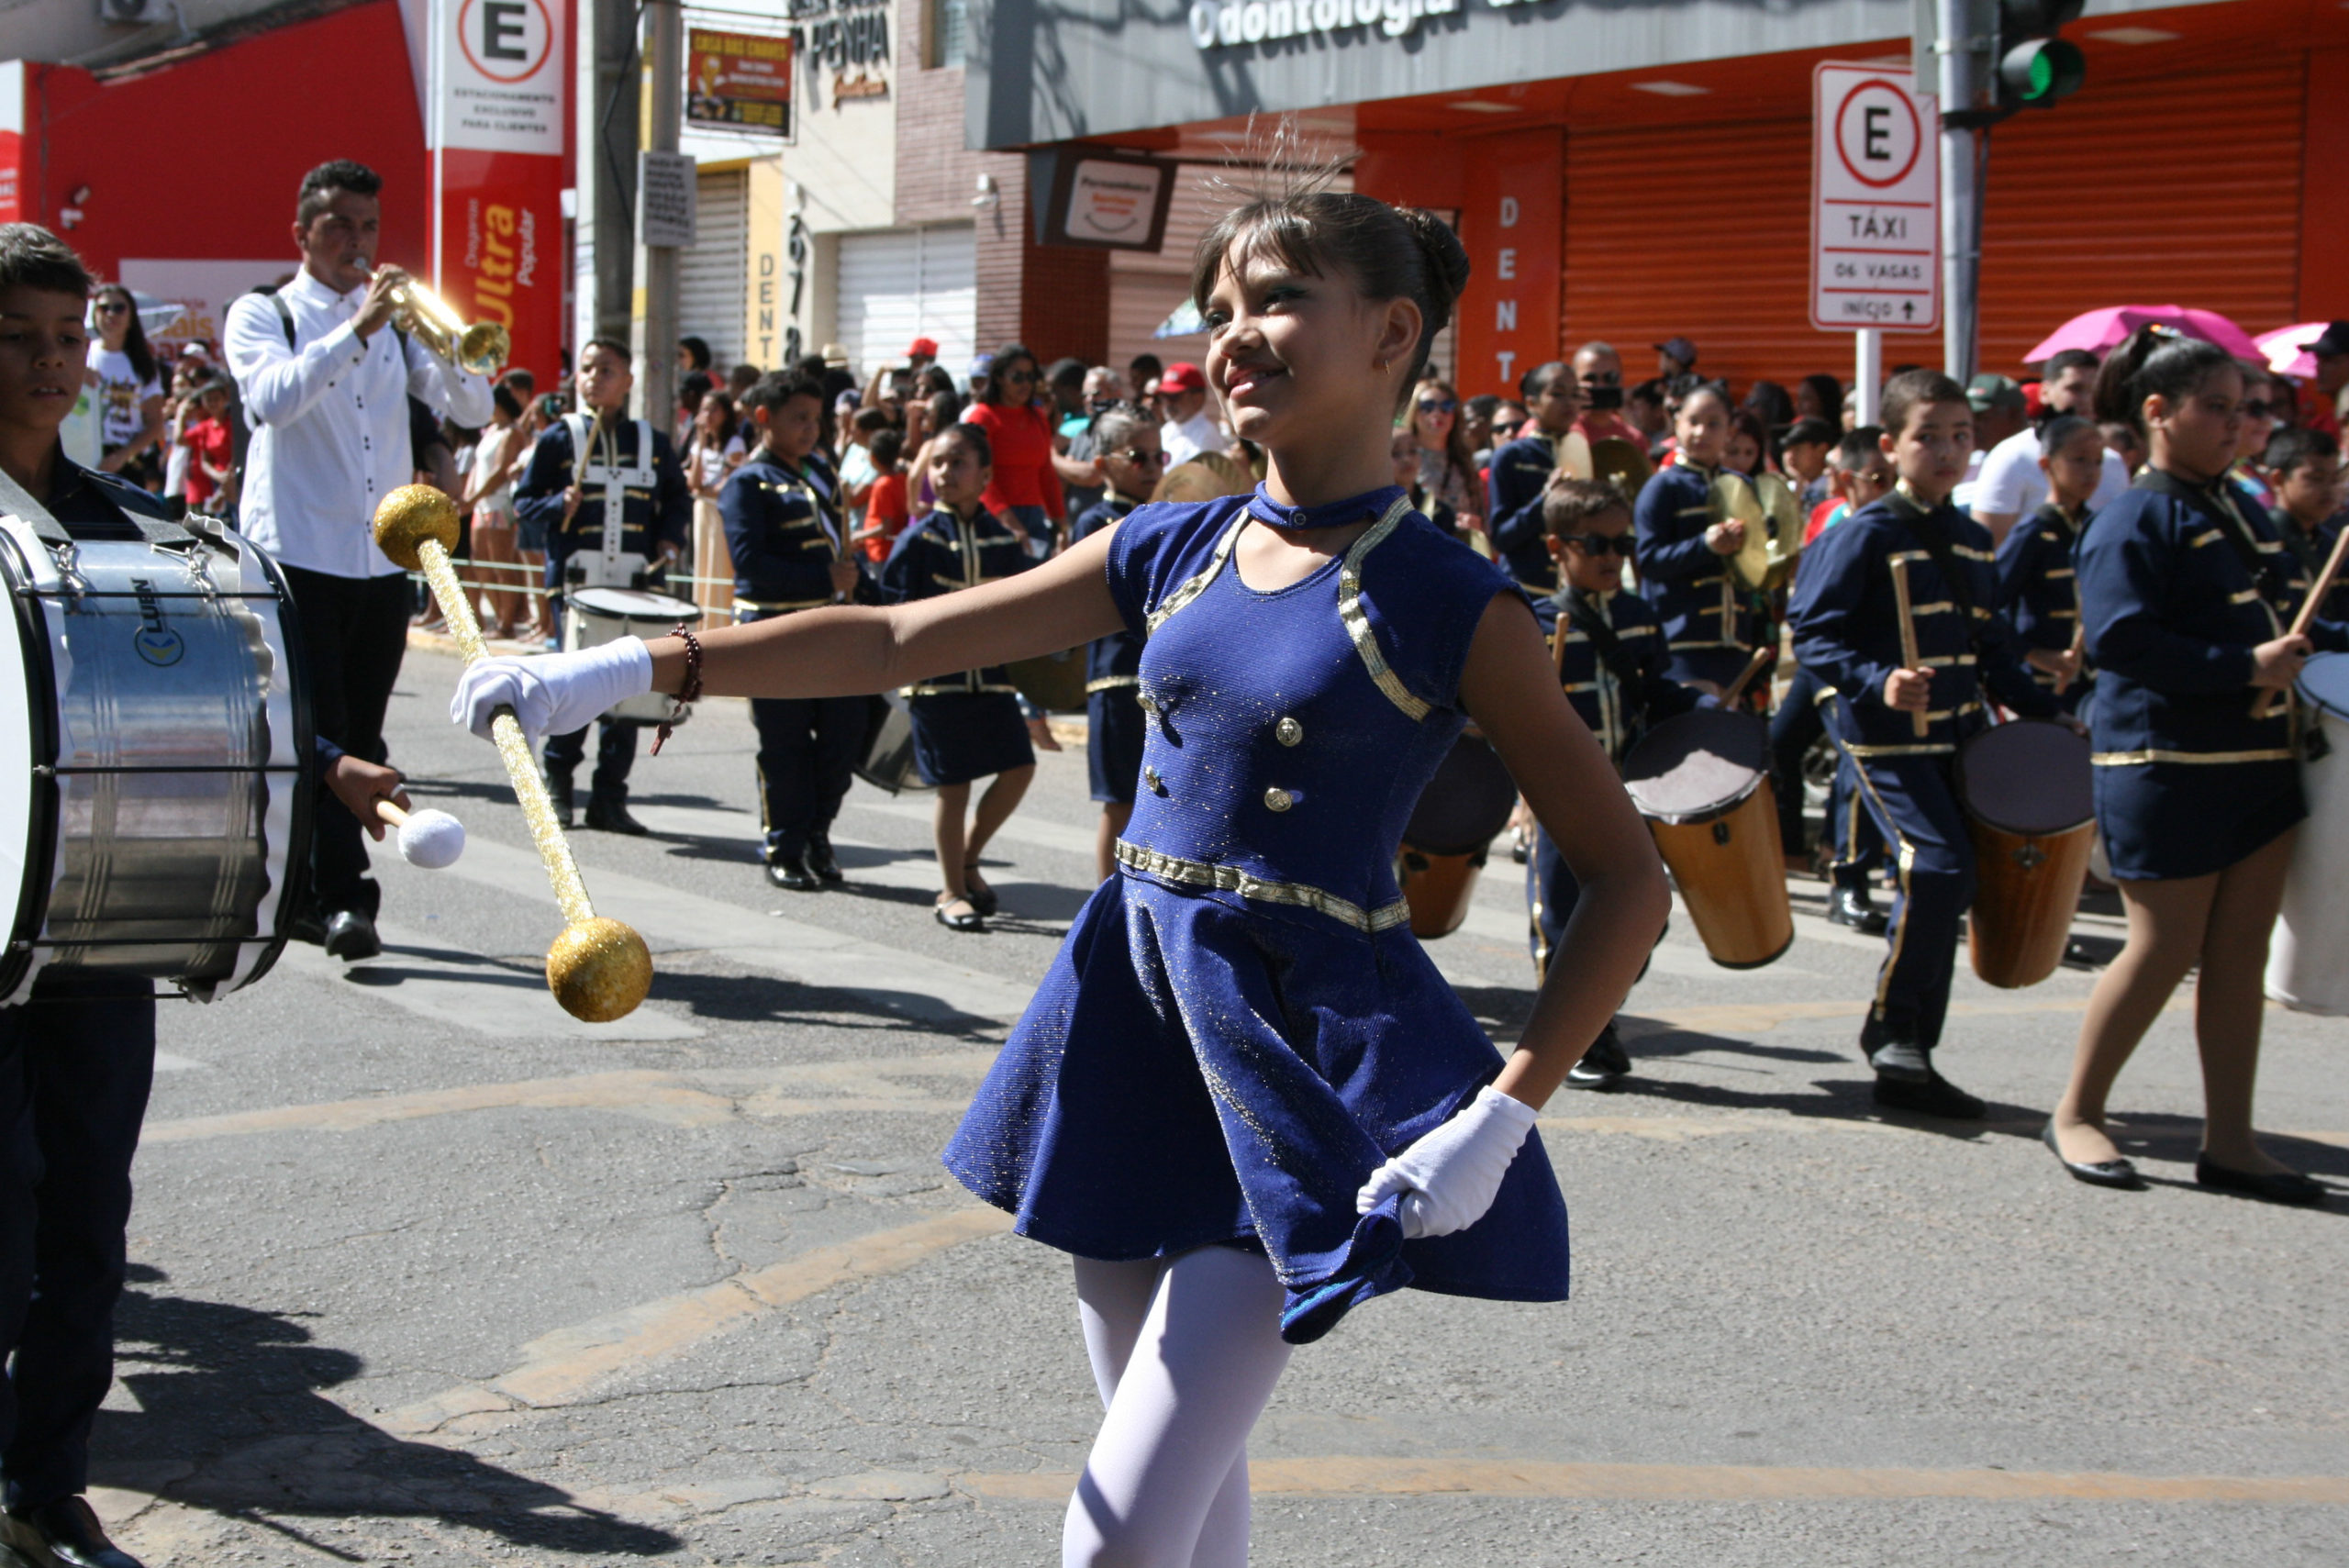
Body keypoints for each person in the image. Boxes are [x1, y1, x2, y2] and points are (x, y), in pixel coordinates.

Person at [449, 181, 1666, 1567]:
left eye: (1277, 301)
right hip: (1133, 1029)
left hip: (1297, 1065)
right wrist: (624, 667)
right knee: (1189, 1509)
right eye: (1221, 311)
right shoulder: (1171, 543)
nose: (1238, 336)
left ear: (1393, 333)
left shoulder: (1454, 597)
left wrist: (1502, 1116)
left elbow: (1627, 880)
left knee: (1116, 1539)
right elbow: (894, 639)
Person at [0, 220, 413, 1568]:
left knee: (86, 1220)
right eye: (20, 339)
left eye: (67, 340)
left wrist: (336, 765)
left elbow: (212, 701)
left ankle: (46, 1482)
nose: (52, 365)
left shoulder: (128, 527)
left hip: (88, 919)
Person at [2043, 327, 2349, 1202]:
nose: (2234, 423)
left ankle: (2232, 1140)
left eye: (2243, 408)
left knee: (2238, 955)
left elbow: (2290, 618)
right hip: (2165, 761)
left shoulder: (2242, 506)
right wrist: (2240, 668)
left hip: (2258, 762)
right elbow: (2122, 641)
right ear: (2157, 412)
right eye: (2213, 407)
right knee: (2161, 944)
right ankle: (2076, 1110)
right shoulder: (2133, 515)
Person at [225, 158, 493, 960]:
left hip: (379, 559)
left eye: (369, 226)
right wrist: (359, 329)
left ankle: (313, 892)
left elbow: (475, 407)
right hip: (295, 553)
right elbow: (272, 400)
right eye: (340, 224)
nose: (357, 241)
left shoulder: (394, 324)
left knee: (362, 736)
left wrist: (444, 347)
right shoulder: (264, 312)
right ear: (302, 233)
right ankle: (344, 899)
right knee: (321, 732)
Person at [1789, 370, 2064, 1118]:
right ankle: (1894, 1034)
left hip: (1959, 738)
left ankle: (1914, 1053)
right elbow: (1812, 632)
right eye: (1928, 436)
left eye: (1960, 436)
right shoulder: (1865, 533)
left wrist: (2054, 712)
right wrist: (1877, 680)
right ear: (1891, 445)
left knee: (1961, 875)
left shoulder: (1974, 539)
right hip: (1886, 741)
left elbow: (1993, 650)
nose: (1946, 450)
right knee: (1939, 868)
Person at [1528, 478, 1703, 1088]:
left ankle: (1597, 1011)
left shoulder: (1636, 617)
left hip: (1630, 790)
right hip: (1564, 794)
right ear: (1557, 546)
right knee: (1564, 918)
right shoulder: (1536, 623)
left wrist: (1698, 709)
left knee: (1645, 919)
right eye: (1595, 542)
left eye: (1622, 543)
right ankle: (1582, 1037)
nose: (1611, 556)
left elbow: (1656, 693)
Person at [512, 337, 691, 833]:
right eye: (587, 368)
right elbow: (524, 502)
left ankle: (610, 796)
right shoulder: (560, 437)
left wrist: (670, 541)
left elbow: (678, 498)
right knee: (574, 687)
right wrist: (555, 507)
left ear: (628, 381)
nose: (594, 377)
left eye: (606, 369)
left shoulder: (653, 443)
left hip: (634, 583)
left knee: (630, 689)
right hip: (575, 583)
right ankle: (558, 788)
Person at [876, 421, 1037, 930]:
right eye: (938, 463)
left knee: (1019, 768)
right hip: (937, 683)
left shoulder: (1001, 538)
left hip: (992, 682)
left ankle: (968, 860)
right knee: (954, 785)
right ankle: (950, 891)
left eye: (957, 463)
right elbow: (894, 610)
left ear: (984, 474)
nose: (944, 473)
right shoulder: (919, 537)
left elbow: (1025, 606)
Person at [724, 371, 872, 891]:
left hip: (833, 631)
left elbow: (842, 556)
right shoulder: (747, 482)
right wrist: (822, 577)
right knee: (785, 748)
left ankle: (818, 836)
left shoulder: (821, 474)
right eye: (799, 419)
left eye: (818, 419)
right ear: (764, 418)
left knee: (841, 743)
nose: (812, 429)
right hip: (775, 634)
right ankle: (783, 845)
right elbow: (750, 566)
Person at [1779, 427, 1891, 924]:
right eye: (1877, 478)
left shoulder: (1899, 526)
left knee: (1853, 766)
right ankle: (1796, 847)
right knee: (1782, 742)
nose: (1885, 487)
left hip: (1868, 663)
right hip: (1826, 658)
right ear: (1849, 479)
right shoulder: (1830, 517)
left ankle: (1849, 875)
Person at [1068, 403, 1163, 882]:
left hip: (1163, 680)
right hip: (1116, 677)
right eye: (1138, 457)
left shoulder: (1172, 517)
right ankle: (1109, 902)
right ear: (1104, 463)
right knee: (1120, 802)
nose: (1152, 467)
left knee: (1161, 796)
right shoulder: (1095, 523)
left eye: (1159, 457)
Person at [1633, 384, 1757, 691]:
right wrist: (1705, 545)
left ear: (1729, 431)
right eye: (1693, 422)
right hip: (1680, 638)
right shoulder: (1663, 487)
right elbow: (1648, 560)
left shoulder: (1742, 485)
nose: (1702, 431)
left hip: (1735, 638)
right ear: (1676, 424)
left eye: (1714, 424)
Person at [1992, 414, 2102, 712]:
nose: (2091, 471)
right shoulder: (2033, 533)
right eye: (2079, 460)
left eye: (2097, 461)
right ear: (2046, 465)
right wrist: (2034, 654)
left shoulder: (2096, 527)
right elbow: (1989, 604)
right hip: (2041, 684)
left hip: (2091, 682)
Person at [1970, 350, 2132, 545]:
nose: (2087, 400)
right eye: (2075, 389)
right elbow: (1988, 543)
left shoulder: (2113, 463)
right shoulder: (2013, 456)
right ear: (2045, 392)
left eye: (2094, 390)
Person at [1484, 360, 1584, 590]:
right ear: (1532, 403)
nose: (1569, 402)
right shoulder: (1512, 456)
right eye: (1557, 394)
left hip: (1574, 592)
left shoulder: (1585, 451)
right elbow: (1501, 537)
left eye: (1575, 394)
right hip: (1527, 589)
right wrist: (1546, 498)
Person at [965, 343, 1065, 556]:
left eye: (1031, 377)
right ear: (1000, 378)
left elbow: (1046, 471)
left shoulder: (1038, 417)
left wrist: (1060, 521)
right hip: (993, 516)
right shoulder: (982, 417)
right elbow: (980, 477)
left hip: (1035, 516)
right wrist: (1008, 520)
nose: (1026, 384)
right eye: (1017, 377)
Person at [460, 377, 540, 639]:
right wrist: (469, 498)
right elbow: (478, 468)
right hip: (481, 504)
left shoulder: (512, 432)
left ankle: (506, 623)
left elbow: (500, 471)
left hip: (499, 504)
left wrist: (472, 498)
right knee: (481, 564)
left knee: (502, 566)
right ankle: (500, 618)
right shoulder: (492, 430)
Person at [2264, 427, 2349, 620]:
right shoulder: (2266, 542)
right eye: (2316, 479)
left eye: (2335, 479)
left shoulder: (2331, 543)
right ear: (2278, 480)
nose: (2328, 489)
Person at [86, 284, 166, 490]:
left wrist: (122, 456)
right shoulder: (81, 355)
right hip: (84, 453)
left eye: (119, 308)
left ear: (131, 316)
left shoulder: (142, 363)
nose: (111, 313)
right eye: (104, 308)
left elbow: (155, 423)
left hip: (126, 459)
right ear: (94, 314)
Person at [1407, 376, 1481, 536]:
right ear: (1413, 412)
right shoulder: (1399, 457)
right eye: (1428, 406)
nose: (1437, 413)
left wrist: (1472, 523)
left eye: (1447, 406)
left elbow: (1482, 516)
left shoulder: (1465, 461)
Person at [1954, 373, 2028, 512]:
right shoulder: (1964, 459)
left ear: (2014, 415)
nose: (1972, 425)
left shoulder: (2033, 461)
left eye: (1982, 417)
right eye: (1969, 417)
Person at [176, 374, 233, 515]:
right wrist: (181, 415)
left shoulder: (232, 424)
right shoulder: (205, 427)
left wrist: (224, 486)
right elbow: (204, 460)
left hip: (234, 483)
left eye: (216, 399)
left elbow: (238, 455)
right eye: (208, 399)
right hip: (216, 483)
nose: (213, 403)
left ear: (225, 399)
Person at [1154, 361, 1227, 467]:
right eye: (1164, 396)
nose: (1167, 403)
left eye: (1174, 396)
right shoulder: (1166, 430)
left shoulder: (1207, 436)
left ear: (1197, 398)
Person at [855, 427, 910, 563]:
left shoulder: (882, 485)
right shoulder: (902, 478)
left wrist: (859, 535)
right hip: (894, 549)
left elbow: (886, 527)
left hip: (882, 551)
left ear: (873, 458)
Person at [685, 389, 746, 501]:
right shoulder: (699, 444)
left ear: (725, 413)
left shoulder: (734, 443)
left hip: (722, 506)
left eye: (713, 410)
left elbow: (727, 485)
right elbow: (694, 483)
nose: (708, 415)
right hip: (703, 506)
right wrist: (701, 445)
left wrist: (701, 491)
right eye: (704, 409)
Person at [1777, 417, 1836, 512]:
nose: (1790, 456)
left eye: (1798, 449)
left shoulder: (1833, 489)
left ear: (1821, 450)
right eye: (1787, 449)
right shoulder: (1786, 488)